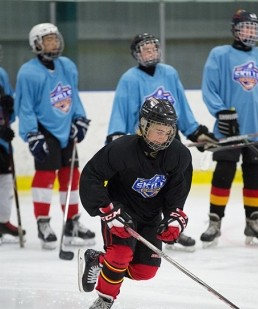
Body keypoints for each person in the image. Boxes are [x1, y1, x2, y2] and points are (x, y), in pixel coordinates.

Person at [78, 97, 192, 309]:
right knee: (120, 256)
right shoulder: (121, 149)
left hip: (150, 217)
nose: (164, 137)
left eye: (169, 131)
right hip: (121, 214)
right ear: (144, 126)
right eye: (159, 131)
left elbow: (176, 193)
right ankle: (105, 299)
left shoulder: (179, 155)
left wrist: (174, 217)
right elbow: (91, 177)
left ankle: (98, 260)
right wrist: (107, 210)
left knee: (144, 271)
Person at [106, 32, 217, 252]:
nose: (150, 52)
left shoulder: (170, 73)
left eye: (153, 48)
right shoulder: (130, 78)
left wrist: (195, 132)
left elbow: (181, 108)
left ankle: (172, 227)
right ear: (136, 54)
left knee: (176, 187)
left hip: (171, 142)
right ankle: (146, 228)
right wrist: (117, 136)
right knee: (149, 189)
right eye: (145, 49)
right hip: (143, 146)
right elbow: (121, 112)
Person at [200, 9, 258, 247]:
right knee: (224, 173)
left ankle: (253, 221)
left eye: (253, 28)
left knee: (255, 174)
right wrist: (221, 112)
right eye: (245, 27)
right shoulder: (220, 54)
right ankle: (214, 222)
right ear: (235, 30)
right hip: (228, 130)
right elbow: (209, 88)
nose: (250, 32)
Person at [15, 23, 95, 251]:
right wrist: (32, 134)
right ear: (36, 44)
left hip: (67, 130)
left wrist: (79, 118)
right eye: (47, 40)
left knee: (71, 176)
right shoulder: (28, 72)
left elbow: (74, 96)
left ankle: (72, 223)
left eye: (54, 39)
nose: (53, 43)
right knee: (45, 176)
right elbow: (26, 107)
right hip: (44, 131)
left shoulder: (68, 66)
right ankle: (43, 223)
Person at [0, 65, 26, 244]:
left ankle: (2, 221)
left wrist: (10, 106)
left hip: (1, 143)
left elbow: (11, 113)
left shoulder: (1, 73)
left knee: (6, 181)